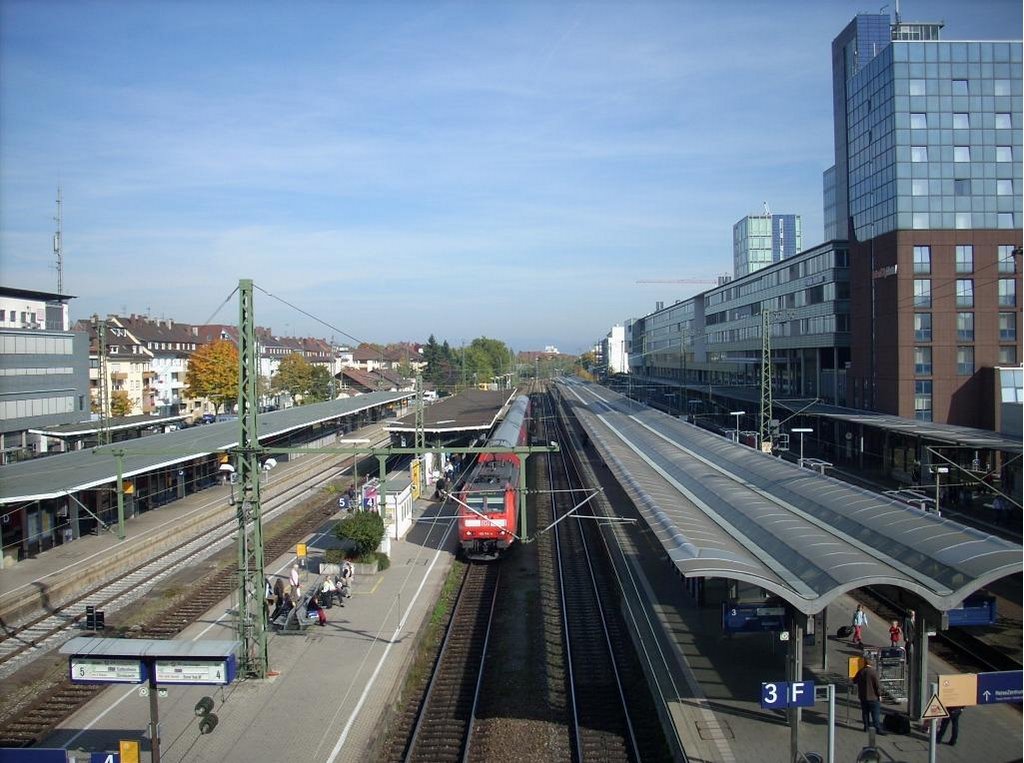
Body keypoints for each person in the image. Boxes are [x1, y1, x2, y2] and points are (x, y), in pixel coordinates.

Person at [853, 656, 885, 735]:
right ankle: (877, 729)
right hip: (873, 697)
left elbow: (854, 681)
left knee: (865, 713)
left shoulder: (861, 671)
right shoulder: (874, 672)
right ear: (872, 663)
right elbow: (877, 685)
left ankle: (866, 727)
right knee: (875, 714)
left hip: (863, 696)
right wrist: (879, 695)